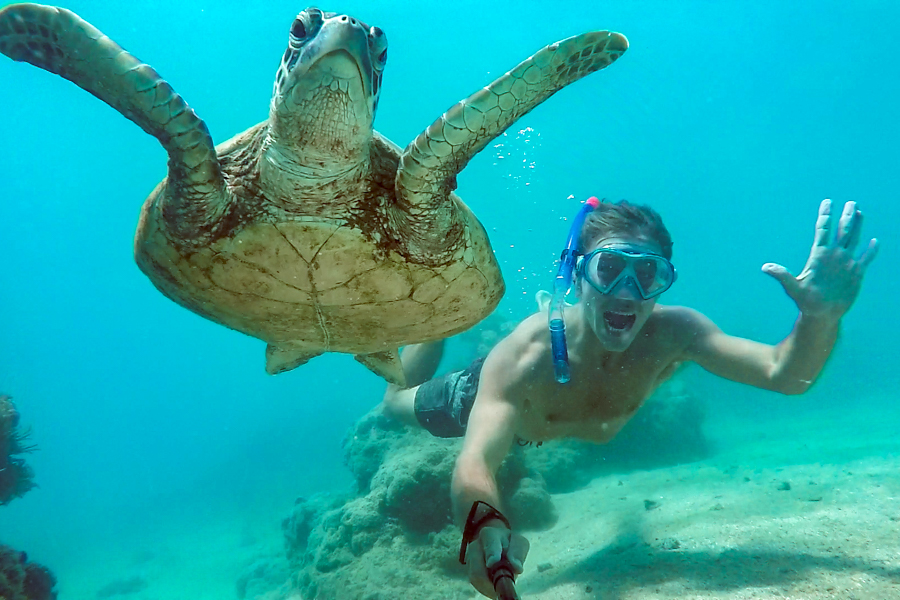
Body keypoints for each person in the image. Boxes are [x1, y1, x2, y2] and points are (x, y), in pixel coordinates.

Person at [381, 197, 878, 598]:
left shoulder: (675, 334)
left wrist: (820, 318)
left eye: (647, 275)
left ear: (665, 282)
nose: (626, 292)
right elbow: (476, 461)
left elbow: (784, 374)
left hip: (542, 408)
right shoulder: (522, 357)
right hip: (476, 395)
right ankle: (439, 319)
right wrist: (484, 521)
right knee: (393, 405)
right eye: (609, 268)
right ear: (578, 274)